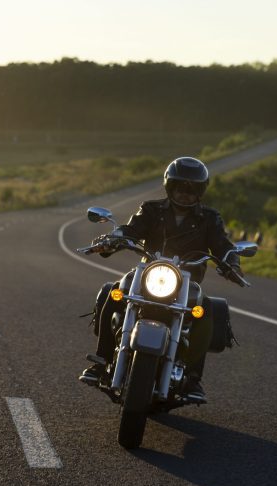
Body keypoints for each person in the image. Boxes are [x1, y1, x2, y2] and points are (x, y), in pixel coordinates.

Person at [79, 156, 243, 402]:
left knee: (205, 308)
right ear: (170, 186)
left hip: (187, 281)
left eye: (192, 189)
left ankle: (192, 379)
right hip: (149, 274)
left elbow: (222, 244)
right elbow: (131, 229)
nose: (185, 194)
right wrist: (112, 240)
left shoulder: (210, 218)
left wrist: (232, 261)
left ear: (201, 190)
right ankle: (101, 361)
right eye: (180, 187)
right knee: (114, 292)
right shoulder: (151, 209)